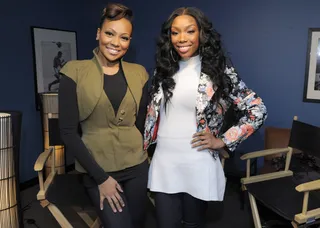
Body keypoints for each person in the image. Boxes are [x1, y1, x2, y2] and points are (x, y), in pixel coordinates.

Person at [144, 6, 267, 228]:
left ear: (201, 33)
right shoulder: (161, 70)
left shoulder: (218, 70)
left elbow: (257, 109)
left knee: (193, 224)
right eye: (175, 32)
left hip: (197, 163)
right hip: (164, 163)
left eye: (189, 31)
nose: (181, 38)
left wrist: (223, 141)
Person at [58, 3, 149, 228]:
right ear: (99, 33)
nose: (116, 43)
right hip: (97, 169)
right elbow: (68, 132)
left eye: (124, 38)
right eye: (110, 33)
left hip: (137, 166)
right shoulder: (73, 71)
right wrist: (101, 178)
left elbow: (142, 123)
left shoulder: (139, 73)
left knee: (138, 223)